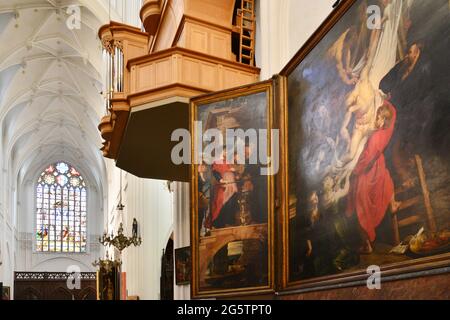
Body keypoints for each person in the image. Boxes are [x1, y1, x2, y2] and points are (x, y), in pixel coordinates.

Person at [346, 102, 401, 253]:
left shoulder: (377, 136)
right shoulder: (386, 132)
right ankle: (393, 203)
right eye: (377, 117)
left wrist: (354, 170)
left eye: (380, 118)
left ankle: (366, 244)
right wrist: (386, 101)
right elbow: (393, 114)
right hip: (378, 168)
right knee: (387, 178)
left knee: (359, 203)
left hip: (369, 172)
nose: (377, 120)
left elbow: (366, 158)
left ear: (384, 121)